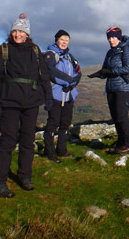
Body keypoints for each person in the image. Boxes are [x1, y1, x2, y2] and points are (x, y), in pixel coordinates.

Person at [0, 13, 53, 198]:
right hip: (8, 103)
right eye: (15, 30)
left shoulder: (36, 51)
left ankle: (25, 176)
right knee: (7, 141)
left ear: (27, 34)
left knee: (27, 141)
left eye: (21, 31)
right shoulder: (2, 50)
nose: (18, 34)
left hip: (31, 102)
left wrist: (48, 97)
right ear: (11, 32)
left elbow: (44, 76)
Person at [89, 26, 129, 154]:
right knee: (115, 117)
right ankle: (121, 144)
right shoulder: (110, 53)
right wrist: (100, 73)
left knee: (122, 117)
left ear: (119, 38)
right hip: (111, 87)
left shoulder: (126, 49)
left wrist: (111, 71)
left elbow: (128, 68)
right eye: (109, 38)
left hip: (124, 87)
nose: (111, 40)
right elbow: (106, 69)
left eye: (114, 37)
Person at [43, 30, 82, 163]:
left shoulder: (70, 56)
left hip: (69, 95)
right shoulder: (51, 54)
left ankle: (61, 149)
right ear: (56, 40)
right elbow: (51, 72)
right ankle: (49, 151)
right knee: (53, 123)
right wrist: (68, 81)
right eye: (62, 39)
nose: (64, 42)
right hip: (56, 95)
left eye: (67, 40)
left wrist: (72, 84)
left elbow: (78, 72)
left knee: (65, 124)